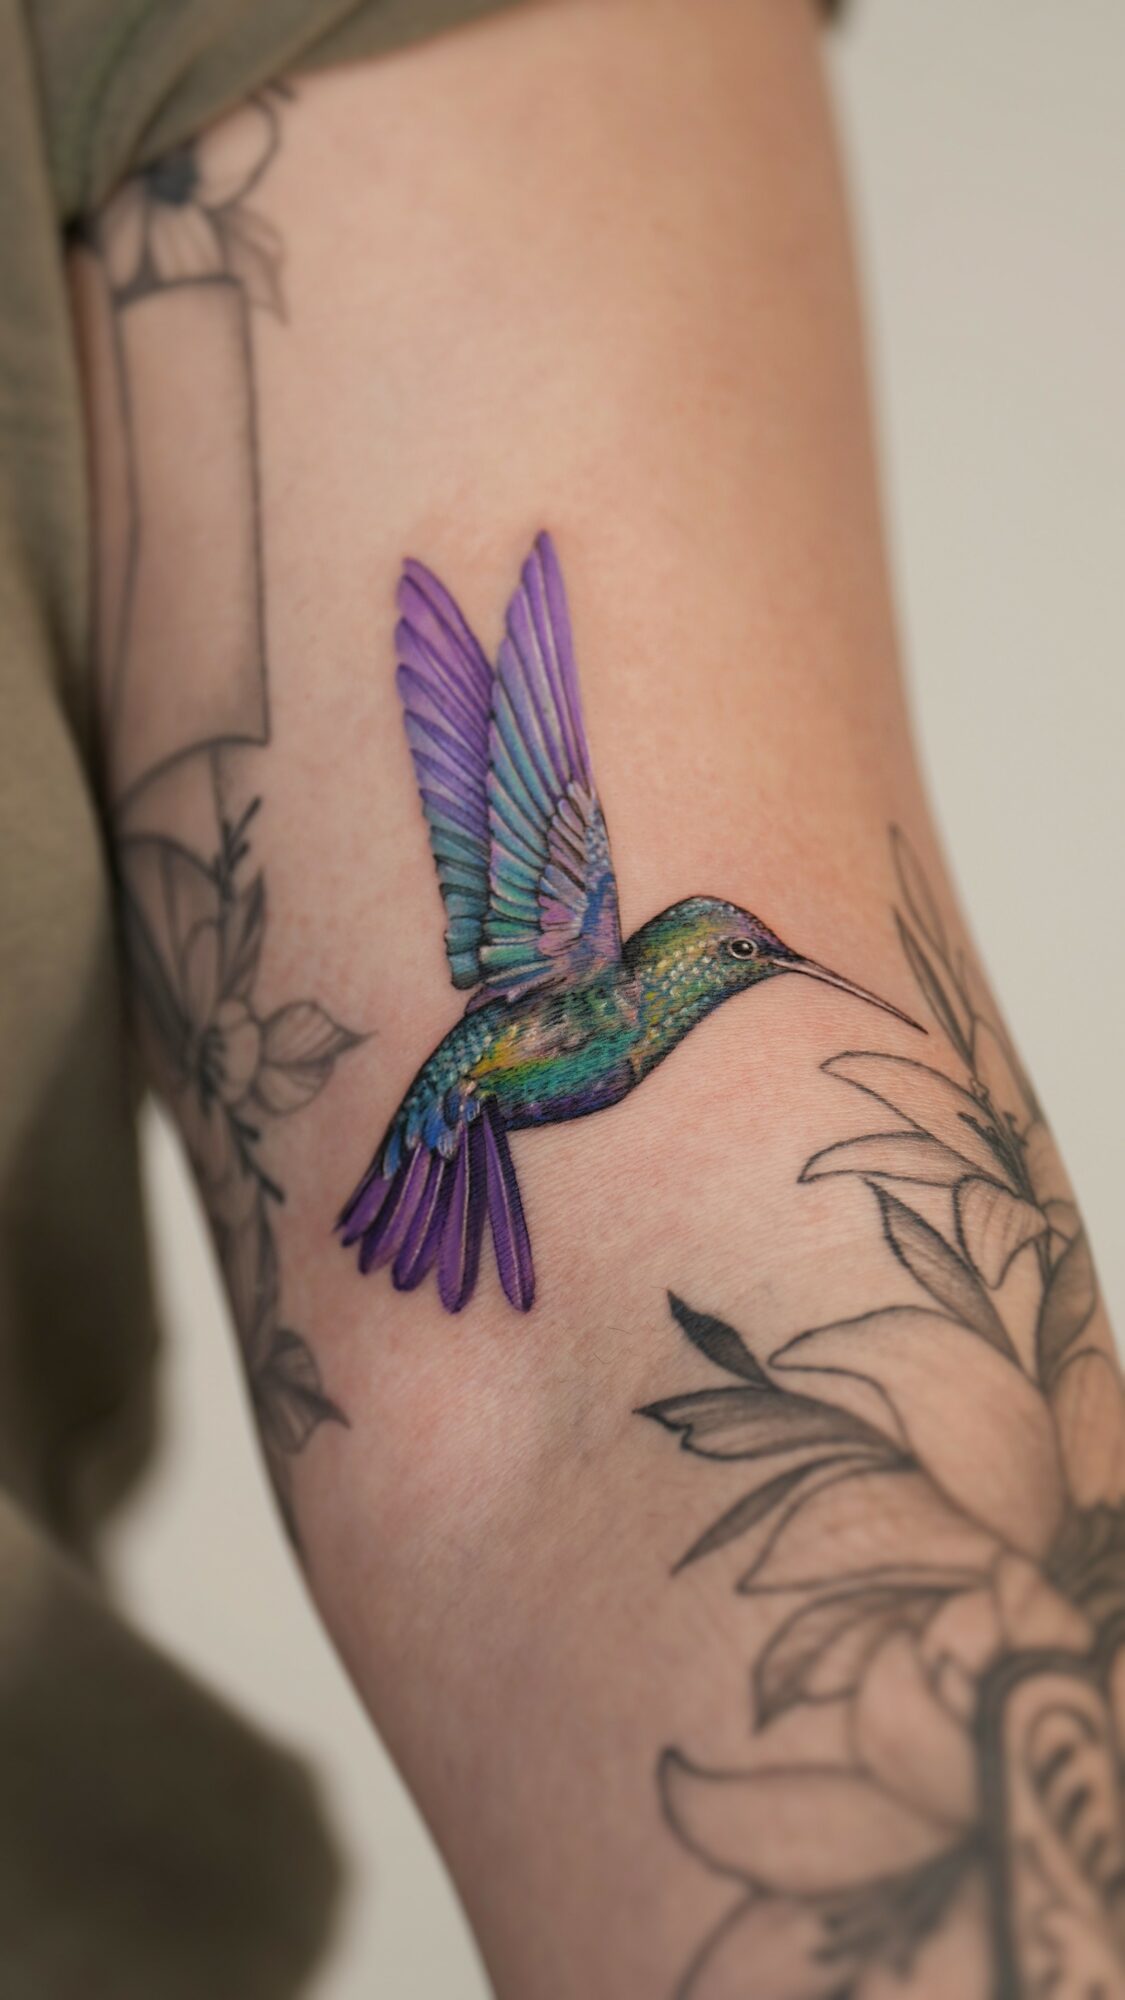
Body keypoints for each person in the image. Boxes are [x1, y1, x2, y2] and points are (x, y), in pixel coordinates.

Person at [2, 1, 1119, 1994]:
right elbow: (501, 709)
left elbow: (629, 1324)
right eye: (735, 964)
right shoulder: (590, 939)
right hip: (478, 1079)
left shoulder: (639, 1017)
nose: (747, 979)